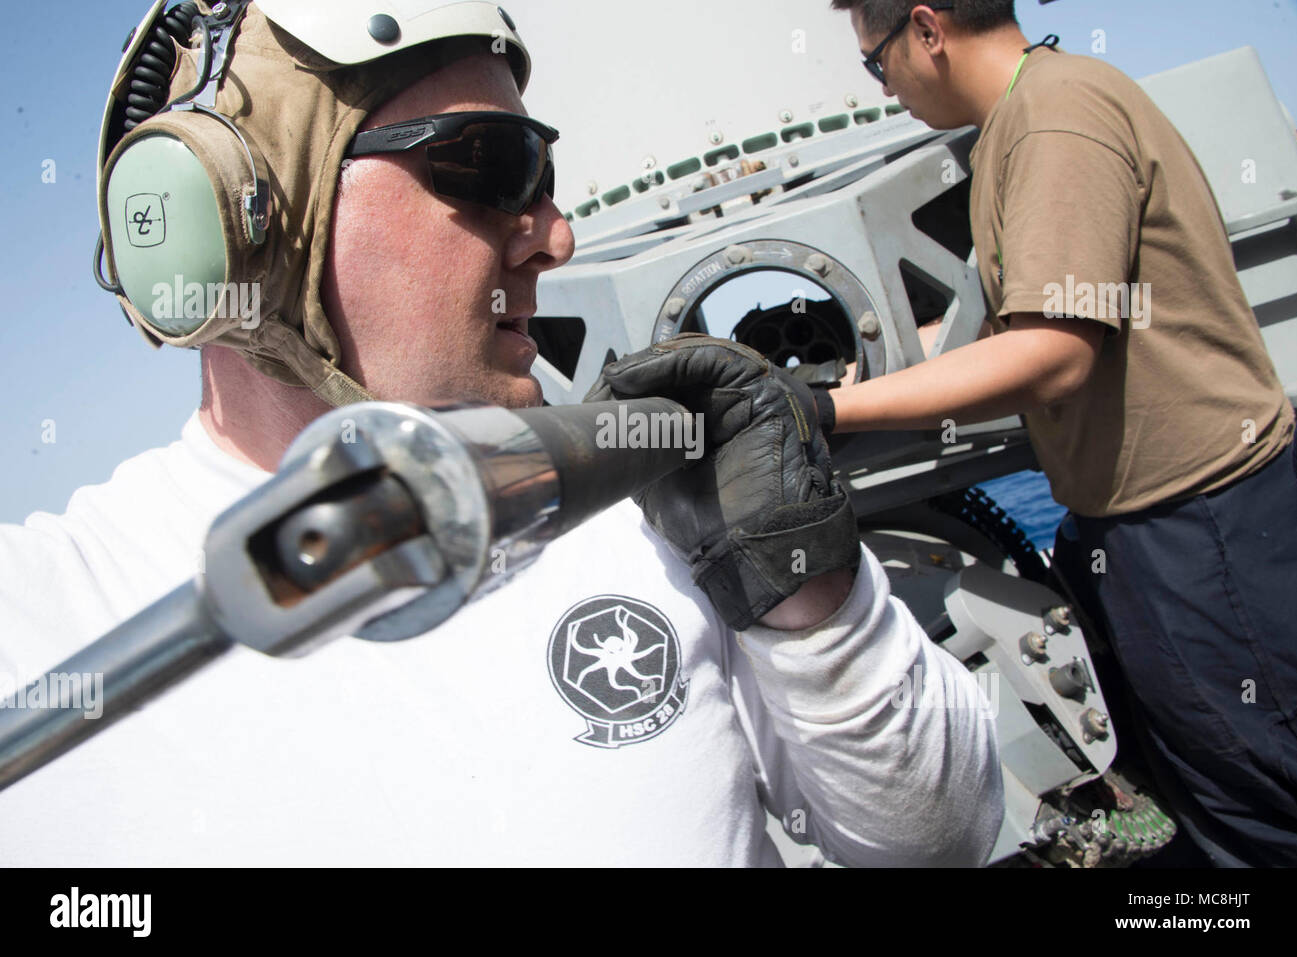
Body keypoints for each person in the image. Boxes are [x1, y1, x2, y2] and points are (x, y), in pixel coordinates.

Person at [0, 0, 1002, 866]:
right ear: (242, 222)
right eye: (491, 167)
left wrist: (812, 599)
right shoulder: (44, 624)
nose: (556, 234)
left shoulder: (648, 504)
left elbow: (940, 839)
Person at [827, 0, 1297, 866]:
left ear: (927, 29)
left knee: (1260, 816)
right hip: (1166, 530)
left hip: (1203, 530)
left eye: (875, 60)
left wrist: (829, 414)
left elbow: (1053, 353)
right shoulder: (1034, 113)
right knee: (1217, 806)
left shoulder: (1054, 120)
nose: (882, 85)